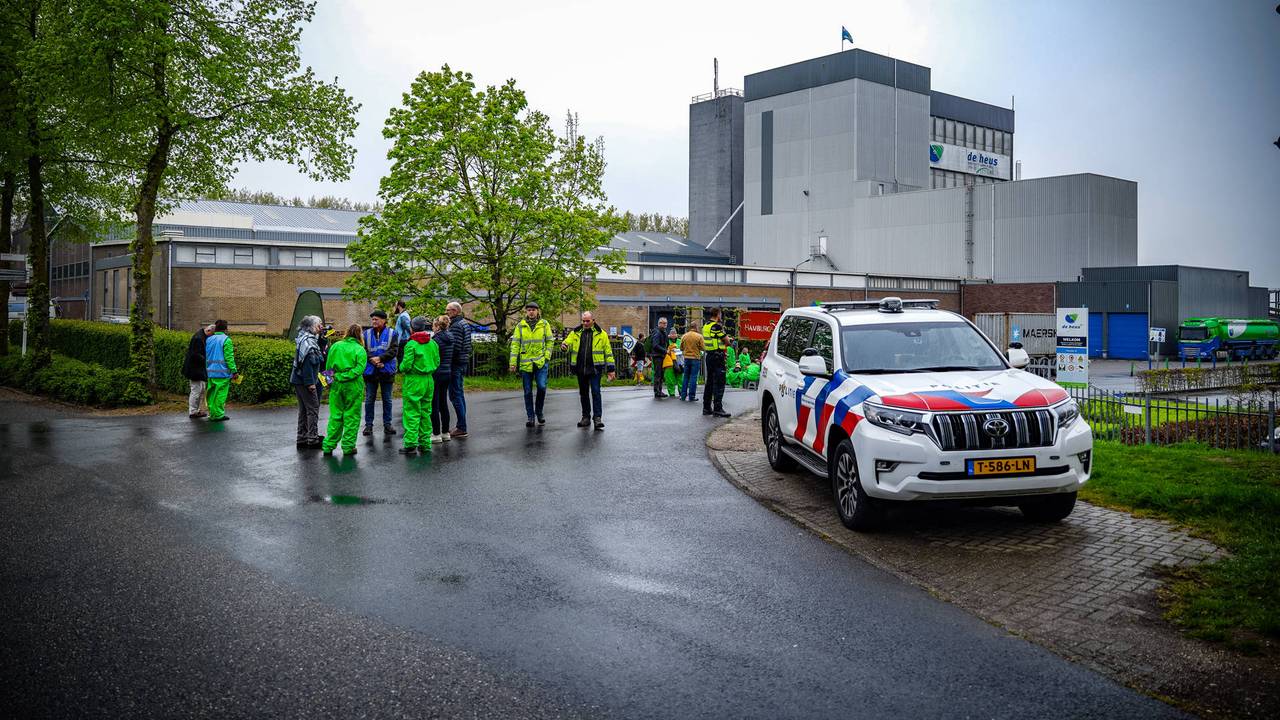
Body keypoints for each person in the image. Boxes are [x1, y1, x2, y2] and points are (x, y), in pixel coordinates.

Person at [562, 310, 616, 430]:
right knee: (583, 393)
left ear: (593, 321)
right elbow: (567, 343)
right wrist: (564, 346)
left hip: (595, 369)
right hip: (580, 368)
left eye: (587, 321)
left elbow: (608, 352)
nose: (585, 323)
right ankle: (585, 417)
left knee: (596, 392)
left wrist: (611, 369)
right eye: (583, 321)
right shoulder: (575, 332)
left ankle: (597, 418)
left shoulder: (602, 334)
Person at [322, 324, 367, 456]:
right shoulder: (360, 350)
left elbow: (328, 365)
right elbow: (359, 370)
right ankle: (348, 447)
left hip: (336, 384)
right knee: (351, 417)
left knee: (335, 415)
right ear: (360, 334)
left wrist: (327, 383)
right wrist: (345, 376)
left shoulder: (336, 346)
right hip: (353, 386)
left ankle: (328, 446)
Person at [398, 315, 440, 455]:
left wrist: (401, 366)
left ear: (412, 328)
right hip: (429, 380)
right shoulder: (433, 343)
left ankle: (410, 444)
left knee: (412, 412)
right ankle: (424, 443)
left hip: (414, 381)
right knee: (425, 412)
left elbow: (406, 366)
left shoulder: (411, 344)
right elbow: (437, 362)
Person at [509, 301, 553, 427]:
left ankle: (539, 412)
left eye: (533, 309)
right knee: (527, 391)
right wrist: (513, 362)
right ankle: (530, 417)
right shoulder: (520, 326)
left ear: (537, 311)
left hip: (540, 362)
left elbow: (550, 341)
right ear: (526, 312)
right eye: (529, 310)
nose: (531, 311)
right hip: (526, 364)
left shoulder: (544, 324)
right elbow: (515, 344)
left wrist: (546, 357)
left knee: (542, 387)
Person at [362, 309, 400, 439]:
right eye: (372, 319)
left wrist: (381, 359)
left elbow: (394, 350)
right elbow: (363, 350)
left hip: (386, 371)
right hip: (371, 372)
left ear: (384, 321)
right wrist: (373, 360)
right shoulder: (366, 334)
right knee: (369, 399)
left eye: (376, 319)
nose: (373, 321)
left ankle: (387, 424)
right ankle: (368, 425)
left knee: (387, 399)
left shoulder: (392, 333)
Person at [290, 315, 325, 448]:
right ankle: (312, 438)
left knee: (304, 409)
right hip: (306, 380)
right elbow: (308, 364)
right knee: (312, 409)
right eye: (319, 324)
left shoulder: (305, 337)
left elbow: (321, 353)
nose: (321, 327)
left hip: (299, 380)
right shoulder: (308, 342)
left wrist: (323, 338)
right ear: (311, 326)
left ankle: (302, 437)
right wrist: (310, 383)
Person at [445, 301, 472, 438]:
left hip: (455, 364)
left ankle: (462, 427)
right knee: (459, 394)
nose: (446, 313)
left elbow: (454, 347)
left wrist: (446, 361)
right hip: (462, 362)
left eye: (448, 310)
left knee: (455, 395)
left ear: (455, 311)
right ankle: (462, 425)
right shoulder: (465, 324)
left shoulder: (455, 326)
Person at [204, 320, 237, 422]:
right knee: (220, 395)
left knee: (211, 394)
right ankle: (218, 415)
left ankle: (212, 413)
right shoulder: (226, 340)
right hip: (222, 373)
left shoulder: (209, 339)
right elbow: (229, 358)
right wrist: (234, 371)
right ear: (225, 329)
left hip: (210, 371)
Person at [429, 315, 456, 443]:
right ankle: (445, 432)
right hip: (447, 372)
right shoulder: (451, 338)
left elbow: (432, 358)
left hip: (436, 373)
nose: (432, 328)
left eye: (433, 326)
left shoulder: (435, 340)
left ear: (437, 326)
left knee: (434, 403)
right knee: (443, 403)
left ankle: (436, 434)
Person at [702, 308, 731, 418]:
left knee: (709, 382)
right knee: (719, 382)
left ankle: (706, 407)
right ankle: (718, 409)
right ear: (718, 314)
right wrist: (727, 341)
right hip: (717, 357)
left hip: (709, 356)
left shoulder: (706, 326)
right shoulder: (717, 326)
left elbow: (714, 339)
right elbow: (727, 341)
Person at [182, 324, 214, 418]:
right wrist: (207, 359)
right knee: (196, 390)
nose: (211, 337)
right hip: (195, 370)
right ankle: (193, 411)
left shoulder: (201, 336)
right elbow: (195, 354)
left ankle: (198, 410)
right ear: (208, 331)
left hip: (198, 369)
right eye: (212, 334)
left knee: (202, 389)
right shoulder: (198, 338)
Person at [679, 325, 704, 402]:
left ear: (690, 328)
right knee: (693, 377)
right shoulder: (699, 336)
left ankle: (683, 396)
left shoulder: (684, 336)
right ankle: (691, 396)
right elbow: (703, 348)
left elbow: (681, 348)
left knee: (685, 377)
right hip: (695, 358)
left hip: (686, 358)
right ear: (696, 328)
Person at [649, 317, 670, 398]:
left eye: (666, 323)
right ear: (659, 324)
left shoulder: (663, 332)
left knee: (661, 374)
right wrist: (665, 351)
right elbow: (655, 345)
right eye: (663, 323)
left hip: (661, 356)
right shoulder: (657, 333)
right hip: (657, 356)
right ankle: (657, 391)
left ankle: (659, 391)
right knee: (658, 374)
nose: (665, 325)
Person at [663, 329, 681, 398]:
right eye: (672, 334)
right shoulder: (666, 341)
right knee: (669, 378)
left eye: (674, 333)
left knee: (680, 378)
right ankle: (672, 393)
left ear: (676, 334)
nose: (673, 335)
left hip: (679, 362)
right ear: (669, 335)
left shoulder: (680, 341)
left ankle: (681, 392)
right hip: (669, 363)